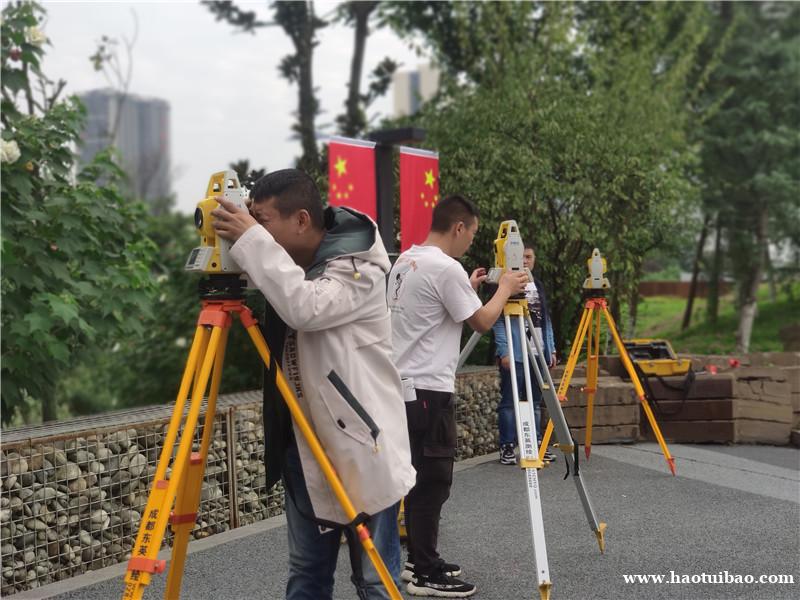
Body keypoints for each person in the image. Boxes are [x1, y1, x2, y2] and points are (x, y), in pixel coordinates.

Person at [212, 169, 416, 600]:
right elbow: (276, 281)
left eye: (261, 220)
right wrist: (238, 241)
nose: (253, 229)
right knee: (306, 575)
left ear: (301, 219)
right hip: (303, 445)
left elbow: (306, 307)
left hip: (362, 443)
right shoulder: (292, 264)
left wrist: (252, 242)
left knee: (376, 580)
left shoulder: (359, 265)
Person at [387, 195, 528, 598]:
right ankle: (426, 572)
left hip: (403, 387)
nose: (471, 244)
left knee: (417, 480)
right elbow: (483, 321)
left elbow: (431, 313)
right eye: (473, 234)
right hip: (429, 390)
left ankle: (418, 560)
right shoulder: (445, 267)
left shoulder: (407, 260)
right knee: (432, 482)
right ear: (459, 228)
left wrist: (468, 288)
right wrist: (505, 287)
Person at [492, 245, 558, 466]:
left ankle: (537, 444)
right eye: (521, 257)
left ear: (534, 259)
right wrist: (504, 351)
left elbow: (545, 319)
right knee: (510, 401)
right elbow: (498, 321)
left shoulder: (537, 285)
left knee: (536, 401)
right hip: (515, 352)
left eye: (529, 256)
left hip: (537, 351)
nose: (525, 261)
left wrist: (551, 348)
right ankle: (507, 446)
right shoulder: (505, 286)